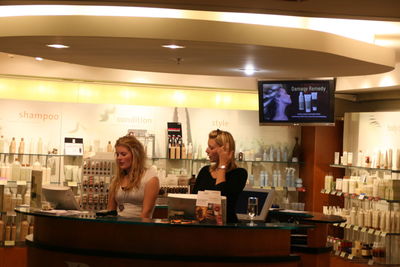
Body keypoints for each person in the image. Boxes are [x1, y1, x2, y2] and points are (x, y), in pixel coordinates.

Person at [192, 129, 247, 223]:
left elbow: (220, 201)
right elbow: (193, 200)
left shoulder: (239, 174)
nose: (206, 150)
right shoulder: (205, 171)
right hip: (202, 227)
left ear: (225, 150)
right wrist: (203, 211)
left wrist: (222, 166)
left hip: (227, 229)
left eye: (211, 148)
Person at [107, 134, 160, 218]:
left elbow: (146, 212)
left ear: (135, 155)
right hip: (118, 227)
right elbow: (110, 210)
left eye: (123, 154)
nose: (119, 158)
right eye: (117, 154)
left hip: (139, 227)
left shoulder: (150, 178)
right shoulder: (116, 179)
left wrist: (136, 229)